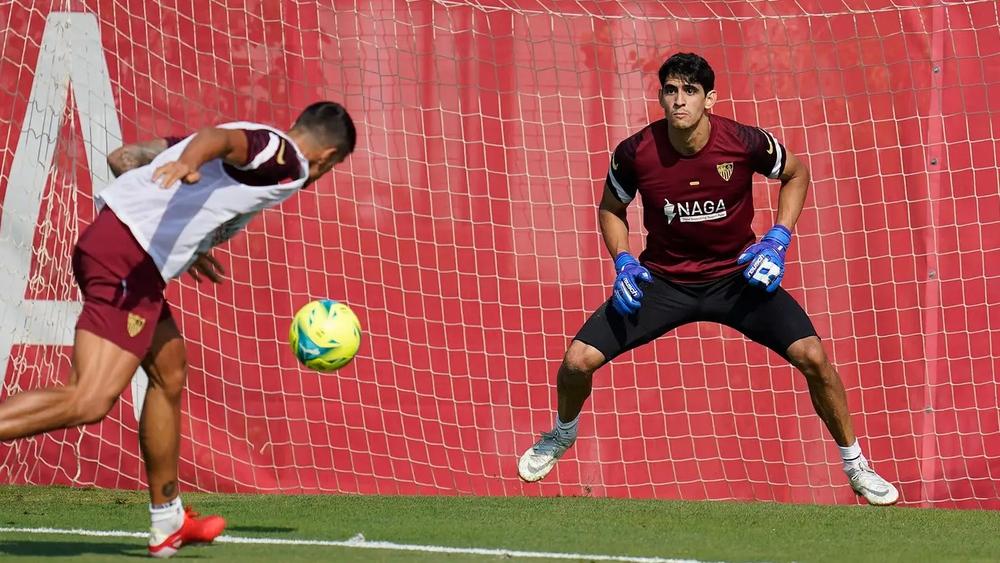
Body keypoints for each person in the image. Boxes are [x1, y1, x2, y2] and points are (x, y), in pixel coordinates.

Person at [516, 53, 898, 506]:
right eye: (671, 91)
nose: (680, 101)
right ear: (660, 97)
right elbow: (610, 209)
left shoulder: (742, 141)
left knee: (814, 357)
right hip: (662, 283)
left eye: (690, 92)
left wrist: (778, 239)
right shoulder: (635, 152)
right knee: (576, 363)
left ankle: (856, 465)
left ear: (709, 99)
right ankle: (561, 434)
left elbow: (797, 173)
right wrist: (622, 261)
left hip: (739, 280)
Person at [0, 101, 357, 557]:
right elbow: (216, 141)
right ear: (327, 157)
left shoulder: (256, 138)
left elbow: (125, 158)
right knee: (87, 399)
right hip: (126, 259)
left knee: (170, 373)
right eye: (333, 166)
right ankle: (166, 518)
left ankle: (168, 520)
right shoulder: (285, 156)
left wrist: (186, 231)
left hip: (132, 257)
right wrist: (188, 166)